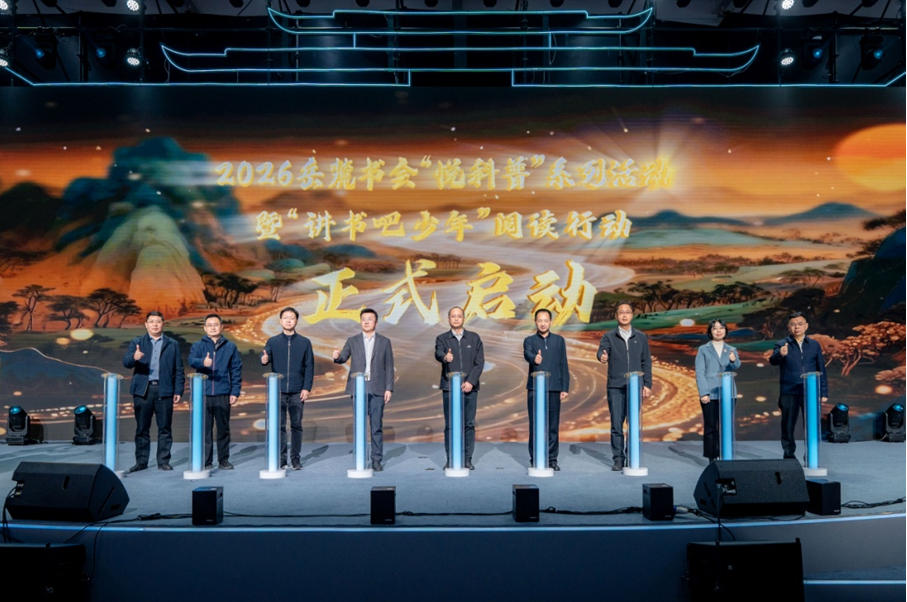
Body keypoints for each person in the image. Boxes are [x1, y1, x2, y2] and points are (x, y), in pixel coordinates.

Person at [332, 308, 394, 472]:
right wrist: (337, 357)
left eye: (369, 319)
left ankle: (376, 460)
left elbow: (389, 366)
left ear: (376, 322)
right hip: (358, 388)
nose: (366, 322)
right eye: (363, 319)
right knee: (359, 425)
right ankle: (360, 458)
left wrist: (389, 388)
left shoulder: (384, 341)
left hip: (377, 388)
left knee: (376, 426)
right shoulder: (352, 340)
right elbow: (343, 357)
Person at [122, 311, 185, 472]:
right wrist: (134, 357)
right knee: (142, 428)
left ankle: (163, 461)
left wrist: (178, 390)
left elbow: (179, 369)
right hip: (143, 391)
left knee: (165, 428)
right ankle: (141, 462)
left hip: (164, 390)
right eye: (151, 322)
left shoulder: (172, 344)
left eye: (158, 321)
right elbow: (126, 363)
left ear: (163, 324)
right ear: (146, 324)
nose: (155, 324)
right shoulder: (137, 342)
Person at [596, 302, 652, 471]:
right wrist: (602, 356)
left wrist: (647, 384)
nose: (624, 315)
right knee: (616, 424)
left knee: (633, 424)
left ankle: (632, 456)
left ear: (632, 315)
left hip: (635, 387)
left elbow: (646, 362)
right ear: (616, 316)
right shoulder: (609, 336)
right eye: (621, 312)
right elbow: (601, 351)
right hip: (616, 386)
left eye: (627, 312)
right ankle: (619, 459)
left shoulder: (641, 337)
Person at [769, 311, 828, 459]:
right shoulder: (782, 344)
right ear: (788, 327)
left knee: (811, 424)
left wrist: (823, 392)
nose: (797, 327)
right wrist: (780, 354)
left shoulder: (814, 345)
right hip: (789, 391)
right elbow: (773, 361)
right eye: (793, 324)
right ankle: (789, 455)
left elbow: (821, 369)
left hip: (810, 391)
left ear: (806, 326)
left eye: (800, 324)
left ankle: (811, 455)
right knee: (788, 424)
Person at [261, 307, 314, 470]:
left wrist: (306, 388)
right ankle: (282, 460)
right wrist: (264, 359)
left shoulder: (304, 342)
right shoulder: (273, 341)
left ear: (296, 321)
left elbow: (309, 367)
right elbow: (265, 357)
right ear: (280, 321)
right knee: (280, 426)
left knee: (296, 425)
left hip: (298, 391)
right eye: (285, 318)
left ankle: (295, 459)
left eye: (292, 318)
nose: (289, 320)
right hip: (278, 391)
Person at [188, 313, 242, 470]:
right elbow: (191, 361)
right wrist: (202, 362)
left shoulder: (230, 347)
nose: (213, 328)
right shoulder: (198, 346)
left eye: (216, 325)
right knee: (205, 430)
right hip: (203, 394)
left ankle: (223, 460)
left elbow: (236, 370)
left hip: (223, 393)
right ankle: (206, 461)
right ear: (205, 328)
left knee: (223, 429)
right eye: (209, 325)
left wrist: (235, 392)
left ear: (221, 327)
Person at [434, 306, 485, 470]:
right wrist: (445, 357)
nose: (456, 319)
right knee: (450, 424)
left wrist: (470, 382)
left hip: (470, 388)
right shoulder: (442, 338)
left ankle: (467, 459)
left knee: (468, 424)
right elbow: (438, 353)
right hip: (450, 388)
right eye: (453, 316)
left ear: (464, 318)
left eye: (459, 316)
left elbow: (479, 363)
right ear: (448, 319)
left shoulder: (474, 338)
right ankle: (451, 459)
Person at [522, 308, 569, 471]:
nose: (543, 323)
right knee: (535, 425)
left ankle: (552, 459)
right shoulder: (529, 340)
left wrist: (564, 387)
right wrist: (534, 358)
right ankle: (535, 457)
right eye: (540, 320)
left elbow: (563, 364)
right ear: (535, 322)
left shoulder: (559, 340)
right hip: (535, 389)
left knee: (553, 426)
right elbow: (527, 354)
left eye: (545, 320)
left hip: (554, 388)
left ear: (550, 322)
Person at [694, 319, 741, 462]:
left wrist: (733, 360)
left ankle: (726, 454)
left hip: (728, 393)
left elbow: (736, 366)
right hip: (710, 393)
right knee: (711, 426)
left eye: (721, 328)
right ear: (710, 331)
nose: (718, 331)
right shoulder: (703, 349)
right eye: (715, 328)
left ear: (726, 330)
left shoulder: (731, 349)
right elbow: (700, 372)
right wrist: (704, 393)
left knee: (726, 425)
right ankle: (712, 457)